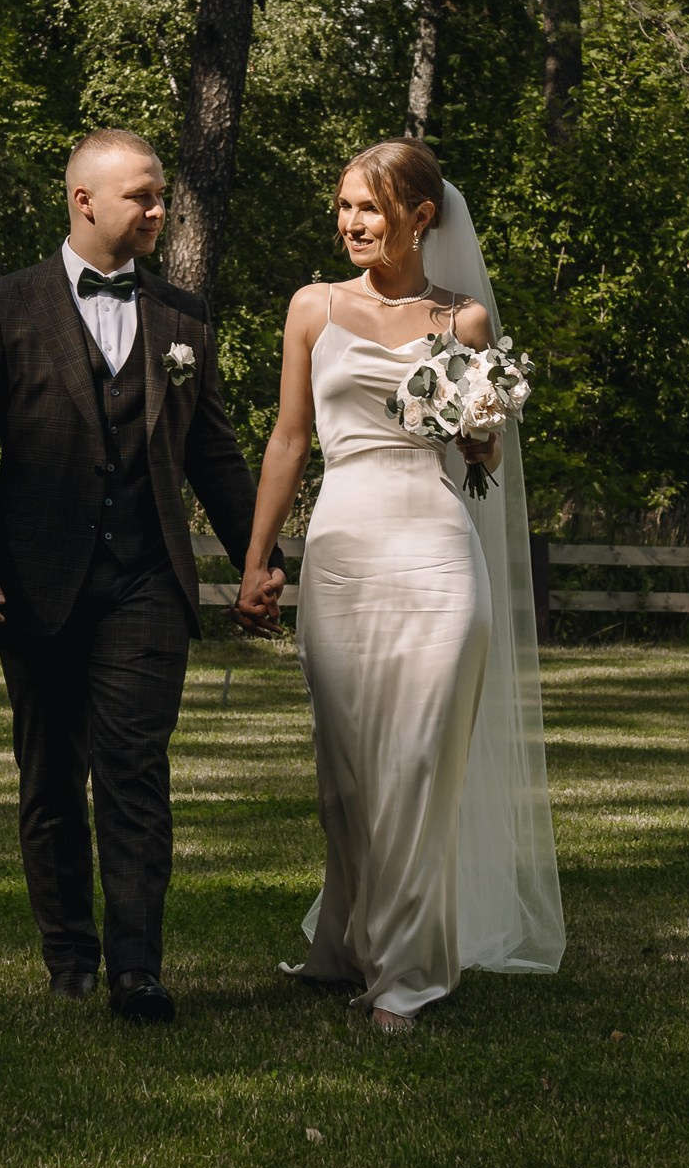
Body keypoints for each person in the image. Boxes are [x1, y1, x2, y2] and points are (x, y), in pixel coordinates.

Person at [0, 130, 281, 1024]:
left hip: (147, 581)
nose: (159, 210)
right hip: (32, 581)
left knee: (134, 770)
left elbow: (213, 453)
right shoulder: (5, 306)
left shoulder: (184, 317)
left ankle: (137, 971)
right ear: (83, 200)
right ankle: (69, 958)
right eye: (143, 196)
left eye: (160, 194)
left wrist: (258, 560)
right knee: (51, 779)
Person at [238, 138, 565, 1030]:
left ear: (420, 217)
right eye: (343, 206)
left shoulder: (464, 321)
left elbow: (484, 457)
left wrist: (480, 435)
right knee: (345, 777)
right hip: (342, 549)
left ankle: (408, 977)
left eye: (370, 209)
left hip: (436, 553)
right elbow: (289, 439)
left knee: (418, 763)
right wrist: (257, 559)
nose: (351, 223)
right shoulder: (311, 307)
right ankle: (350, 941)